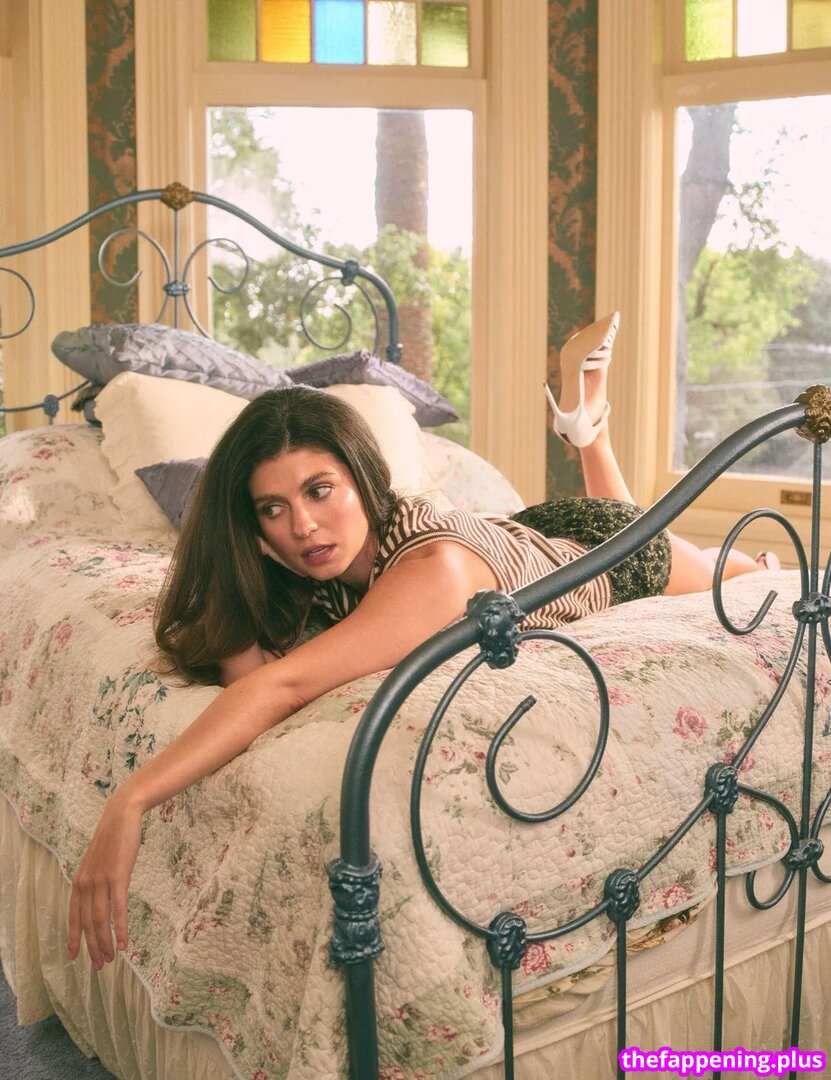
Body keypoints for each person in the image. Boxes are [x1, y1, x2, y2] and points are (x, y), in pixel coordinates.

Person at [66, 312, 778, 968]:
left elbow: (279, 685)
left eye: (320, 490)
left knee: (753, 576)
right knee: (665, 539)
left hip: (612, 557)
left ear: (362, 479)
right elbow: (242, 668)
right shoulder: (318, 561)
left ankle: (589, 424)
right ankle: (582, 424)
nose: (303, 526)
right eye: (272, 509)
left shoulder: (428, 572)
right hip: (521, 534)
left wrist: (132, 798)